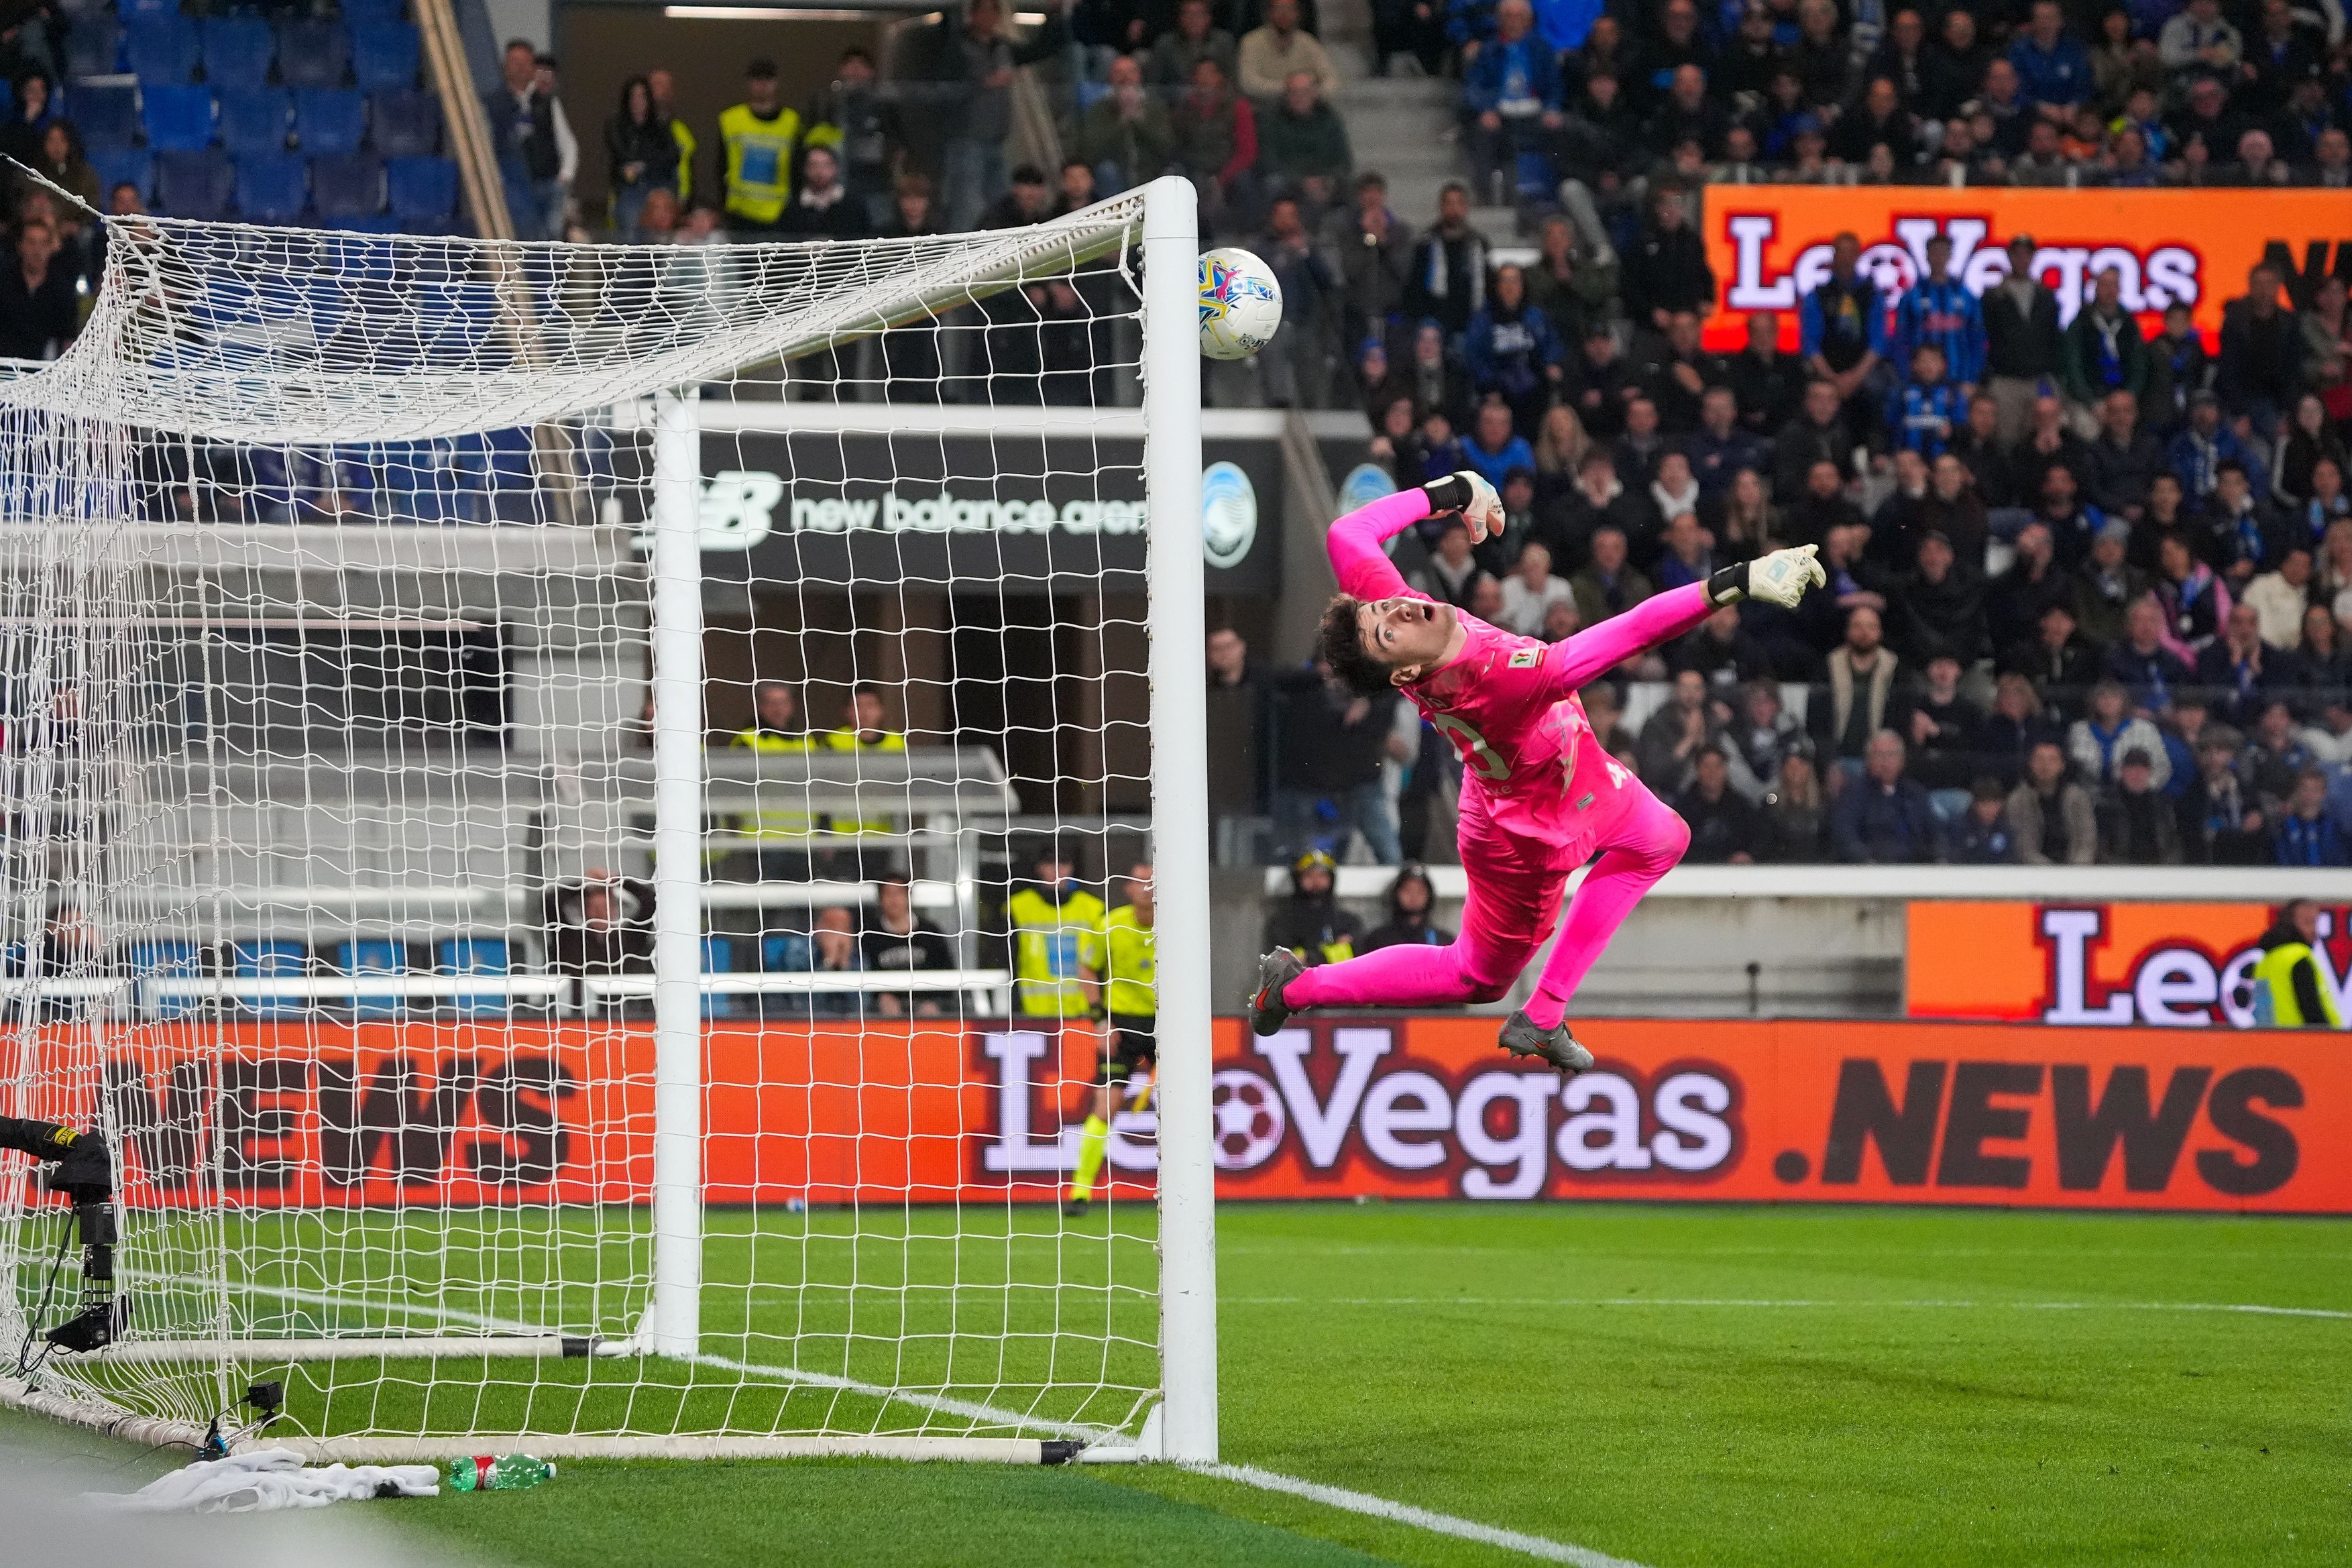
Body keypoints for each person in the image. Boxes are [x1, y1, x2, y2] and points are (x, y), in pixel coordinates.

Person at [1245, 469, 1826, 1068]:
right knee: (1475, 978)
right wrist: (1738, 581)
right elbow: (1630, 632)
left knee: (1663, 839)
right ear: (1402, 677)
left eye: (1382, 611)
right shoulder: (1499, 682)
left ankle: (1544, 1014)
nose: (1394, 613)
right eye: (1386, 634)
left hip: (1572, 766)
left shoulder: (1407, 612)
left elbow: (1348, 534)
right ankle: (1294, 987)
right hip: (1525, 828)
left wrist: (1451, 492)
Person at [1066, 861, 1156, 1216]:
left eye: (1153, 882)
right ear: (1128, 889)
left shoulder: (1179, 925)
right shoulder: (1110, 925)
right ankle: (1080, 1192)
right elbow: (1087, 970)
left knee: (1185, 1110)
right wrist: (1100, 1021)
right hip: (1121, 1024)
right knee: (1106, 1107)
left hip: (1168, 1023)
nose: (1147, 888)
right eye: (1140, 882)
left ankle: (1186, 1188)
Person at [486, 39, 577, 240]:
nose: (520, 68)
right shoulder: (492, 104)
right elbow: (486, 145)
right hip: (513, 188)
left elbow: (567, 143)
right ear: (505, 66)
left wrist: (564, 177)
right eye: (514, 61)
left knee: (552, 242)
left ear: (532, 68)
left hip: (548, 184)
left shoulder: (548, 103)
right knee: (525, 239)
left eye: (525, 63)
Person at [1006, 840, 1105, 1018]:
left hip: (1083, 1013)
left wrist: (1099, 1012)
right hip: (1032, 1014)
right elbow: (1007, 962)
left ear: (1071, 868)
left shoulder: (1093, 908)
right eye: (1050, 864)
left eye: (1063, 864)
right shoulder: (1018, 907)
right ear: (1040, 868)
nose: (1057, 870)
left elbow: (1102, 964)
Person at [717, 59, 801, 235]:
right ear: (749, 83)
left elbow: (798, 168)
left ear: (776, 83)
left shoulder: (792, 122)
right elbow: (720, 167)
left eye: (768, 79)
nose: (762, 85)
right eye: (757, 79)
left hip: (779, 215)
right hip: (740, 214)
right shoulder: (730, 120)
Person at [860, 871, 954, 1017]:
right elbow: (862, 975)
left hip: (928, 1012)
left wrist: (934, 1002)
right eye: (888, 894)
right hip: (883, 1015)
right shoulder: (869, 935)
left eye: (899, 893)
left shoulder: (930, 931)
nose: (894, 900)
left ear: (908, 896)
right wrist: (880, 996)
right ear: (880, 899)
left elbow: (948, 973)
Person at [543, 867, 656, 977]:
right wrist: (584, 884)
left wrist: (618, 880)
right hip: (580, 995)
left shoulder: (631, 938)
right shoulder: (570, 939)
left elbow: (651, 901)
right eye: (595, 907)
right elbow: (550, 902)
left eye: (605, 907)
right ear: (585, 911)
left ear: (614, 910)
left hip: (625, 994)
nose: (600, 914)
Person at [2250, 899, 2347, 1026]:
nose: (2314, 930)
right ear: (2290, 923)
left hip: (2273, 1041)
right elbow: (2311, 1010)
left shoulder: (2264, 963)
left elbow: (2262, 1014)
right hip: (2305, 1042)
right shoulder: (2298, 956)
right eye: (2308, 922)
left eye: (2315, 923)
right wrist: (2331, 1039)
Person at [605, 74, 679, 235]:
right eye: (634, 96)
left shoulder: (659, 126)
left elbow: (673, 156)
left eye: (642, 96)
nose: (638, 101)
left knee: (661, 231)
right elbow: (622, 157)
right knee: (630, 231)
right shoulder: (616, 125)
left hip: (658, 185)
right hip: (631, 189)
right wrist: (650, 161)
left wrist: (644, 165)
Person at [1264, 847, 1363, 964]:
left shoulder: (1348, 922)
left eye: (1322, 875)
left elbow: (1355, 958)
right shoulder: (1282, 923)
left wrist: (1311, 957)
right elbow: (1288, 962)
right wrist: (1333, 951)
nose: (1316, 881)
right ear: (1297, 880)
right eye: (1309, 875)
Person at [2008, 738, 2097, 865]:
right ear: (2031, 763)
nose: (2045, 765)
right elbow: (2023, 848)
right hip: (2034, 873)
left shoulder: (2078, 797)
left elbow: (2087, 841)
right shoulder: (2019, 800)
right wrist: (2052, 873)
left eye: (2052, 760)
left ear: (2062, 765)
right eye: (2040, 760)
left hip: (2077, 873)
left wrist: (2075, 872)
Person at [2096, 746, 2181, 864]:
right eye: (2132, 768)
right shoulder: (2106, 804)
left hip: (2158, 871)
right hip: (2119, 872)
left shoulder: (2163, 804)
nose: (2137, 774)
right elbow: (2102, 848)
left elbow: (2173, 845)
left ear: (2150, 772)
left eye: (2142, 769)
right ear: (2122, 771)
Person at [1361, 862, 1453, 950]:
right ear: (1396, 894)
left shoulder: (1443, 941)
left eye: (1420, 891)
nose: (1414, 896)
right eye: (1407, 890)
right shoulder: (1378, 939)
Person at [2272, 767, 2348, 865]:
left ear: (2324, 792)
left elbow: (2343, 862)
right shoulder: (2285, 827)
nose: (2310, 794)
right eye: (2305, 789)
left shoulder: (2334, 828)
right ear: (2298, 791)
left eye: (2315, 789)